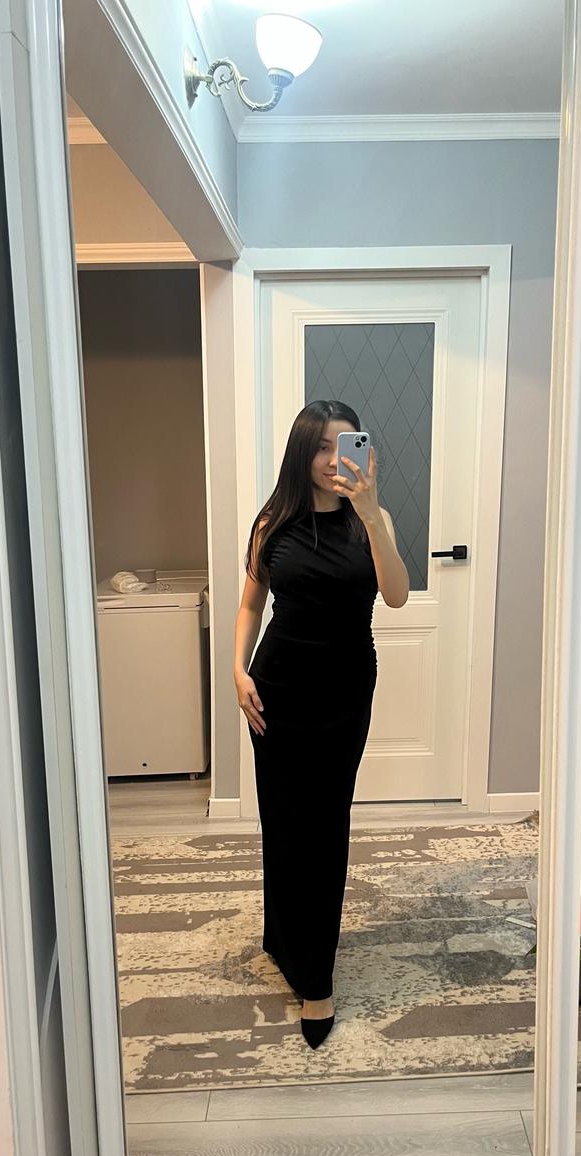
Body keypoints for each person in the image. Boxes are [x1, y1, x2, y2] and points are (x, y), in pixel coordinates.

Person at [233, 400, 409, 1048]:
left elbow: (396, 595)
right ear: (302, 453)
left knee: (325, 829)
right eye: (322, 447)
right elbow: (251, 603)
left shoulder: (373, 520)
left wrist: (372, 512)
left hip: (344, 691)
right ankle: (285, 942)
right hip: (277, 690)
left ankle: (317, 979)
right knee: (283, 825)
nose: (336, 460)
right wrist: (238, 670)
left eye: (347, 445)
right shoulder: (273, 521)